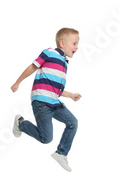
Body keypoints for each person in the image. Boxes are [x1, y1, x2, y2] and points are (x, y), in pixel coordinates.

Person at [11, 28, 81, 172]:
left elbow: (57, 90)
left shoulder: (64, 63)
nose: (77, 47)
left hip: (54, 102)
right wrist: (18, 82)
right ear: (62, 43)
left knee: (73, 122)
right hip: (41, 102)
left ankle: (61, 153)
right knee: (46, 138)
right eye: (74, 43)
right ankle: (21, 123)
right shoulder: (49, 52)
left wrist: (72, 95)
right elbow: (32, 67)